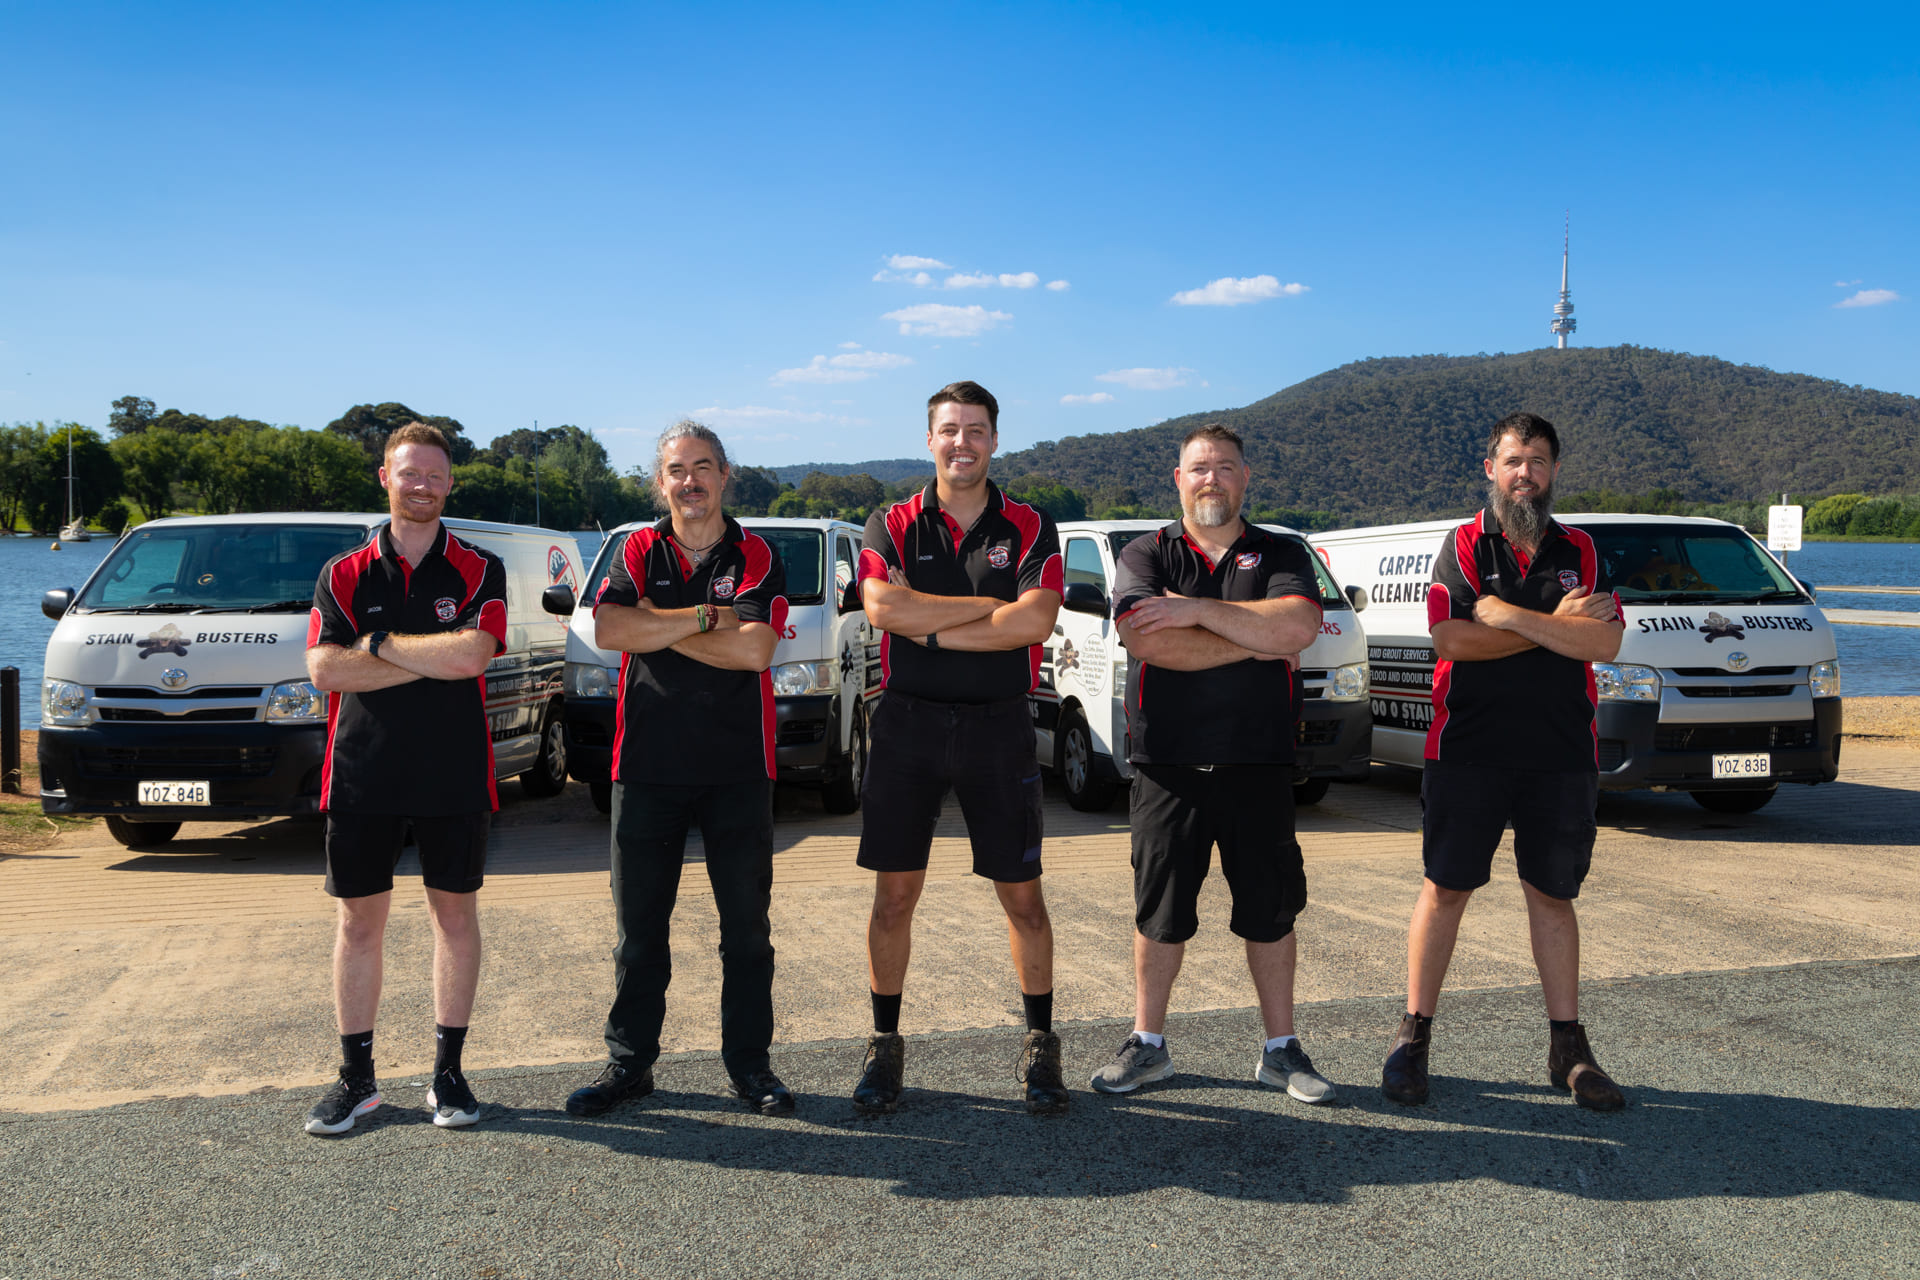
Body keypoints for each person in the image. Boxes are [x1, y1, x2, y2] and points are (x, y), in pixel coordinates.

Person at [1382, 411, 1627, 1111]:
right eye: (1514, 460)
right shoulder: (1462, 544)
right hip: (1469, 749)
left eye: (1539, 461)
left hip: (1561, 751)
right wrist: (1557, 628)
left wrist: (1511, 617)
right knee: (1446, 889)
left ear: (1554, 472)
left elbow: (1605, 644)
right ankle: (1412, 1039)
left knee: (1553, 896)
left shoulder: (1580, 548)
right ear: (1491, 469)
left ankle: (1568, 1050)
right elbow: (1453, 640)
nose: (1527, 474)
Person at [1089, 425, 1335, 1103]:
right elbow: (1148, 641)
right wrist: (1256, 639)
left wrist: (1193, 611)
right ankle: (1147, 1044)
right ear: (1179, 478)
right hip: (1167, 765)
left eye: (1225, 467)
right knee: (1160, 913)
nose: (1212, 479)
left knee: (1271, 912)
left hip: (1260, 764)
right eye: (1199, 468)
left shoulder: (1281, 551)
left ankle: (1281, 1051)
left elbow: (1298, 627)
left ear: (1245, 477)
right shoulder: (1146, 553)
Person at [849, 380, 1068, 1114]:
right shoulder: (890, 522)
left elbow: (1034, 622)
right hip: (907, 724)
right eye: (950, 429)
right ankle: (885, 1045)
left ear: (995, 440)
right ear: (930, 439)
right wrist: (985, 611)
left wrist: (931, 628)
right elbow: (882, 606)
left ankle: (1040, 1044)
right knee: (893, 897)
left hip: (999, 725)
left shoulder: (1031, 524)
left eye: (976, 430)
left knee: (1023, 898)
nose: (962, 442)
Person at [565, 421, 794, 1118]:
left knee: (746, 933)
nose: (689, 481)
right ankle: (630, 1064)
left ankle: (751, 1067)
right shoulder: (637, 548)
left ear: (726, 475)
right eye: (676, 469)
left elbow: (755, 651)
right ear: (659, 482)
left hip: (737, 768)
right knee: (639, 934)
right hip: (646, 767)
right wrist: (705, 617)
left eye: (702, 466)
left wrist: (658, 625)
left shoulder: (757, 553)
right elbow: (611, 630)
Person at [303, 423, 507, 1134]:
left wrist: (381, 645)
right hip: (362, 773)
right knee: (359, 924)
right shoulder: (343, 572)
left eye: (434, 475)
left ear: (451, 483)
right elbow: (325, 670)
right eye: (409, 473)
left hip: (454, 772)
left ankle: (448, 1077)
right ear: (385, 478)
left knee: (455, 920)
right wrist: (431, 657)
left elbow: (472, 657)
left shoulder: (480, 568)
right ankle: (356, 1081)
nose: (421, 485)